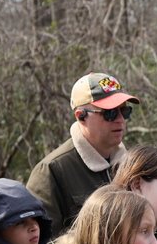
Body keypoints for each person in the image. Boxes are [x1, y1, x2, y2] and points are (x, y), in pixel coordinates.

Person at [28, 72, 140, 234]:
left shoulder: (133, 165)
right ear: (81, 116)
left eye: (125, 111)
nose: (120, 119)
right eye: (110, 113)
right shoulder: (51, 171)